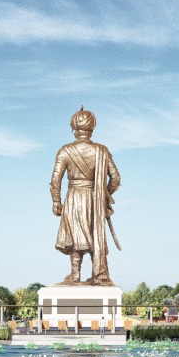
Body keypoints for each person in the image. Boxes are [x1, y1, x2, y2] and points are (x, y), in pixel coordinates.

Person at [50, 107, 121, 286]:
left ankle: (75, 275)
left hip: (74, 197)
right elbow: (116, 178)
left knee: (76, 236)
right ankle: (97, 275)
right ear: (92, 128)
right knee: (93, 234)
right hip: (94, 199)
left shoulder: (65, 151)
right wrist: (103, 195)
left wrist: (56, 201)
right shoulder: (102, 151)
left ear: (74, 128)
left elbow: (55, 179)